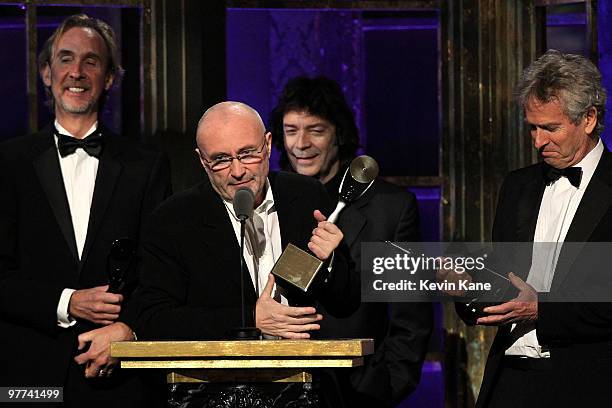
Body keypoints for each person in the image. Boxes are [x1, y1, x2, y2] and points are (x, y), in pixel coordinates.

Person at [76, 102, 358, 402]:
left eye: (248, 153)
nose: (237, 171)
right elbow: (153, 317)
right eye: (221, 160)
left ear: (268, 144)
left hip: (305, 389)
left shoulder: (305, 195)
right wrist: (251, 318)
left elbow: (346, 302)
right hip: (209, 392)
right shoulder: (174, 219)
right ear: (202, 161)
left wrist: (330, 264)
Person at [0, 14, 171, 407]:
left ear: (110, 77)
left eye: (91, 61)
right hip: (27, 380)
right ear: (46, 73)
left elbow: (162, 273)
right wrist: (67, 301)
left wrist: (128, 329)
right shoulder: (7, 164)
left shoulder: (146, 167)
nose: (76, 72)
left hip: (120, 379)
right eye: (65, 59)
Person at [453, 50, 612, 407]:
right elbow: (503, 279)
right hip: (511, 382)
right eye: (532, 128)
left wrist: (543, 308)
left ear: (588, 119)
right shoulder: (518, 186)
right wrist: (467, 290)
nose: (538, 142)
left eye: (550, 128)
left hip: (590, 383)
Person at [270, 76, 433, 408]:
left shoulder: (391, 207)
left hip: (357, 391)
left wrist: (385, 385)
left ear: (338, 135)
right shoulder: (267, 200)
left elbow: (411, 317)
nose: (301, 144)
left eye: (315, 130)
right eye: (291, 131)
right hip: (274, 385)